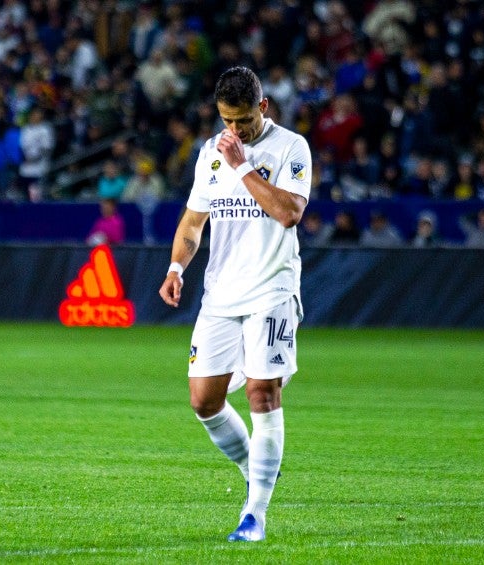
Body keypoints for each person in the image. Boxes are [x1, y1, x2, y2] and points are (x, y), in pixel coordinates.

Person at [158, 67, 311, 543]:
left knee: (262, 392)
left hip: (271, 288)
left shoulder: (291, 148)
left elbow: (288, 213)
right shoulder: (211, 153)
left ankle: (255, 516)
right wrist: (177, 269)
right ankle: (256, 469)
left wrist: (243, 164)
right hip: (221, 294)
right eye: (227, 121)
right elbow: (191, 224)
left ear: (262, 108)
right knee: (204, 400)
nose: (235, 131)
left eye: (243, 120)